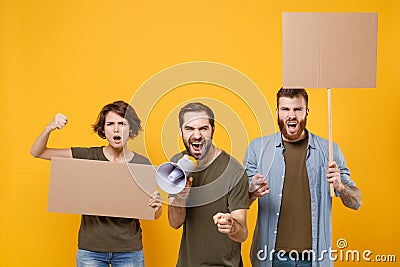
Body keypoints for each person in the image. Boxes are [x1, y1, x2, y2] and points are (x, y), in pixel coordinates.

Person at [30, 100, 162, 267]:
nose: (116, 129)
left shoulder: (142, 164)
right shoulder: (88, 156)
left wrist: (157, 207)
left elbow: (155, 214)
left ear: (131, 129)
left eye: (122, 123)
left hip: (129, 250)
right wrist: (49, 127)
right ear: (103, 129)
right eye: (110, 124)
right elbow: (37, 152)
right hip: (90, 251)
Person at [244, 88, 362, 267]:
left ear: (306, 112)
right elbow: (240, 202)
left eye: (297, 109)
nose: (291, 115)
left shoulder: (329, 151)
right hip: (271, 257)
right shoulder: (258, 149)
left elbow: (356, 202)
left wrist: (340, 186)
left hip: (314, 259)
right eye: (285, 109)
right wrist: (251, 191)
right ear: (277, 112)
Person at [168, 102, 250, 267]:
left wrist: (232, 225)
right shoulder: (177, 164)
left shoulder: (234, 172)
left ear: (213, 130)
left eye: (203, 129)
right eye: (189, 128)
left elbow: (242, 234)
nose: (196, 135)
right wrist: (180, 195)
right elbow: (174, 223)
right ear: (181, 132)